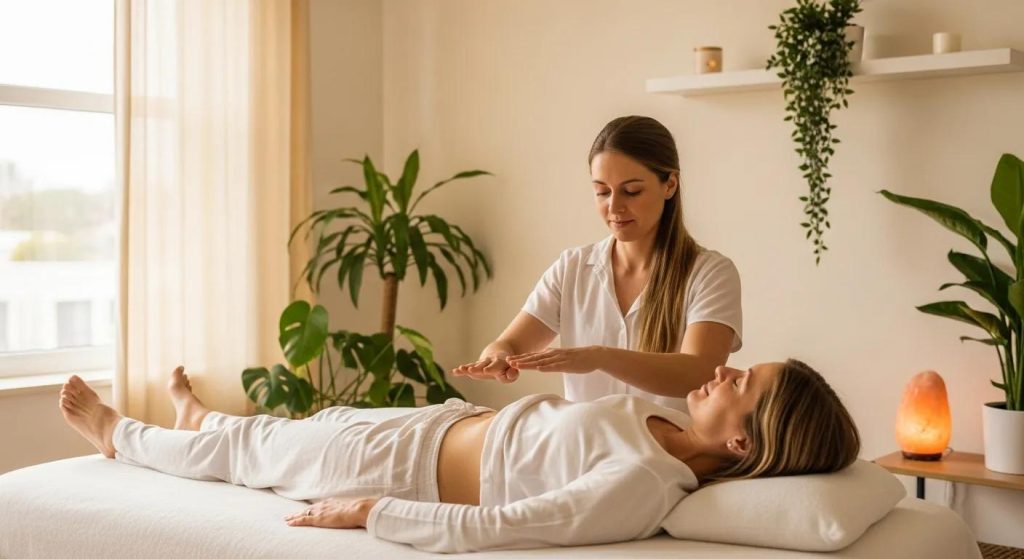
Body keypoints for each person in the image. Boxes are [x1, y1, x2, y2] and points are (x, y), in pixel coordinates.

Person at [59, 360, 859, 553]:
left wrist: (374, 511)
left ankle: (115, 433)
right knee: (287, 427)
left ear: (743, 441)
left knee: (255, 448)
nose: (722, 371)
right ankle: (203, 421)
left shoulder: (649, 481)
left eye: (740, 381)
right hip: (437, 424)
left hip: (401, 470)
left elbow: (510, 523)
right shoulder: (661, 418)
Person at [453, 116, 742, 412]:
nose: (614, 207)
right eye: (602, 191)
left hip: (665, 451)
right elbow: (509, 345)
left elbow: (698, 372)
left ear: (669, 184)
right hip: (585, 448)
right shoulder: (573, 267)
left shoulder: (710, 273)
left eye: (632, 191)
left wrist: (601, 357)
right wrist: (496, 356)